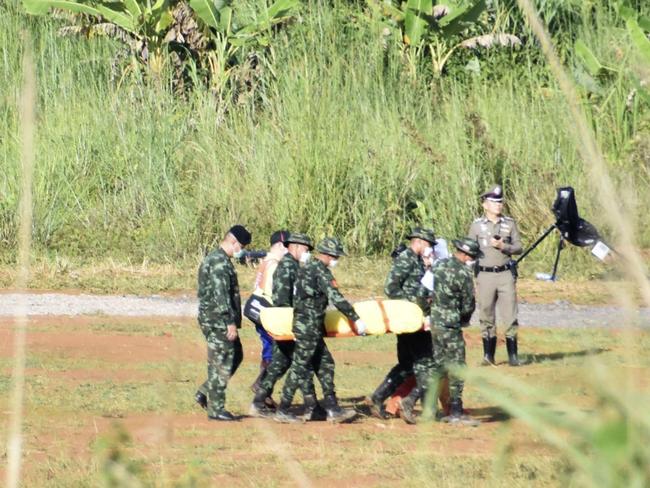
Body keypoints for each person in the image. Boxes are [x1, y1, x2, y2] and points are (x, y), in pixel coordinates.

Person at [275, 237, 367, 424]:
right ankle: (283, 408)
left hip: (309, 326)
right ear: (326, 255)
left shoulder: (306, 268)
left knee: (326, 363)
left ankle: (332, 407)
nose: (336, 260)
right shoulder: (320, 271)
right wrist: (355, 318)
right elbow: (336, 297)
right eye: (335, 256)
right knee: (299, 367)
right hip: (308, 327)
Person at [368, 227, 436, 422]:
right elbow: (391, 287)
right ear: (419, 241)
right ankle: (422, 408)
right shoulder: (406, 258)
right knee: (425, 362)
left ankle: (378, 397)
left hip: (412, 318)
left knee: (407, 365)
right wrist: (411, 303)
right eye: (429, 244)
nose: (430, 248)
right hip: (408, 318)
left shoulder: (417, 260)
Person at [249, 232, 320, 419]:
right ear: (289, 246)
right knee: (294, 361)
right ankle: (304, 405)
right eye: (305, 248)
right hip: (277, 317)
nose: (307, 252)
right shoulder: (280, 266)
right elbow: (281, 298)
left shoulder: (273, 262)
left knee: (282, 360)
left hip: (272, 316)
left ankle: (261, 397)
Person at [194, 225, 251, 421]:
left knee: (236, 355)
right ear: (233, 242)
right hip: (218, 320)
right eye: (241, 246)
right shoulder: (219, 262)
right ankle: (216, 409)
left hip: (215, 318)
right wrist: (229, 322)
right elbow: (221, 295)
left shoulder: (219, 259)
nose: (241, 250)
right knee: (221, 361)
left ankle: (205, 391)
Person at [468, 185, 523, 366]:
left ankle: (513, 356)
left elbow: (518, 247)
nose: (498, 205)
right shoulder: (477, 226)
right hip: (485, 275)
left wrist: (503, 247)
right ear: (485, 205)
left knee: (510, 315)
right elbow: (470, 250)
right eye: (494, 202)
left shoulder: (509, 223)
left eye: (500, 202)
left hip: (505, 273)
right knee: (486, 314)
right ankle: (488, 355)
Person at [429, 237, 479, 424]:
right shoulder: (464, 273)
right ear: (466, 255)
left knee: (438, 365)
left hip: (435, 322)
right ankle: (456, 409)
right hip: (451, 325)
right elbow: (468, 304)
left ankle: (429, 407)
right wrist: (463, 319)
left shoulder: (438, 266)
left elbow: (424, 291)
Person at [243, 230, 290, 398]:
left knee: (268, 348)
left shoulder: (267, 261)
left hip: (256, 308)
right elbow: (273, 293)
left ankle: (264, 393)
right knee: (280, 352)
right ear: (279, 245)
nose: (289, 250)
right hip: (266, 311)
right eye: (287, 246)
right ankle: (262, 386)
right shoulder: (274, 265)